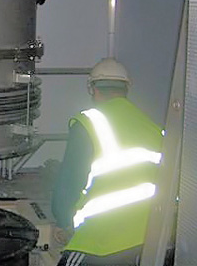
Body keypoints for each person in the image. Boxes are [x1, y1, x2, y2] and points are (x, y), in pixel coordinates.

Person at [52, 58, 164, 266]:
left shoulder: (89, 123)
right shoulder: (153, 127)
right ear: (126, 88)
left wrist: (62, 221)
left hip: (101, 240)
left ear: (93, 90)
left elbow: (70, 182)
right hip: (149, 238)